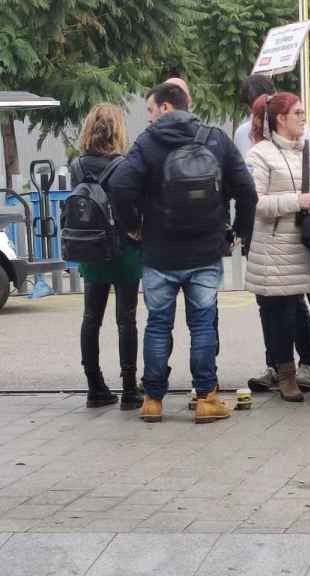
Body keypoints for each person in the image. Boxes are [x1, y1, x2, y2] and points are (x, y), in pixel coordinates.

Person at [109, 82, 258, 423]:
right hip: (206, 251)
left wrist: (132, 226)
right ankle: (206, 398)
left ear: (164, 107)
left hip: (159, 252)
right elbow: (246, 190)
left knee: (158, 325)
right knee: (203, 325)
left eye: (150, 110)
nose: (148, 117)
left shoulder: (147, 143)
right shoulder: (216, 139)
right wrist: (239, 232)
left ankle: (153, 401)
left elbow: (120, 185)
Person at [244, 92, 310, 402]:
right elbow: (255, 202)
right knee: (284, 315)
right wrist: (295, 201)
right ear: (280, 118)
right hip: (279, 249)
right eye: (298, 113)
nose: (304, 118)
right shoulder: (260, 154)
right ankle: (287, 376)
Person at [234, 74, 310, 394]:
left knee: (293, 300)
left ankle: (305, 363)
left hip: (291, 229)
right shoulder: (245, 134)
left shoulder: (299, 132)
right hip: (262, 230)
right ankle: (279, 364)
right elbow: (245, 185)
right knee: (269, 303)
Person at [72, 103, 143, 411]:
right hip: (124, 249)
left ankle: (95, 387)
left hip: (90, 248)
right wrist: (136, 231)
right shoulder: (125, 165)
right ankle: (129, 390)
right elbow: (131, 209)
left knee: (91, 318)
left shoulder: (77, 165)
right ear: (118, 130)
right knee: (126, 319)